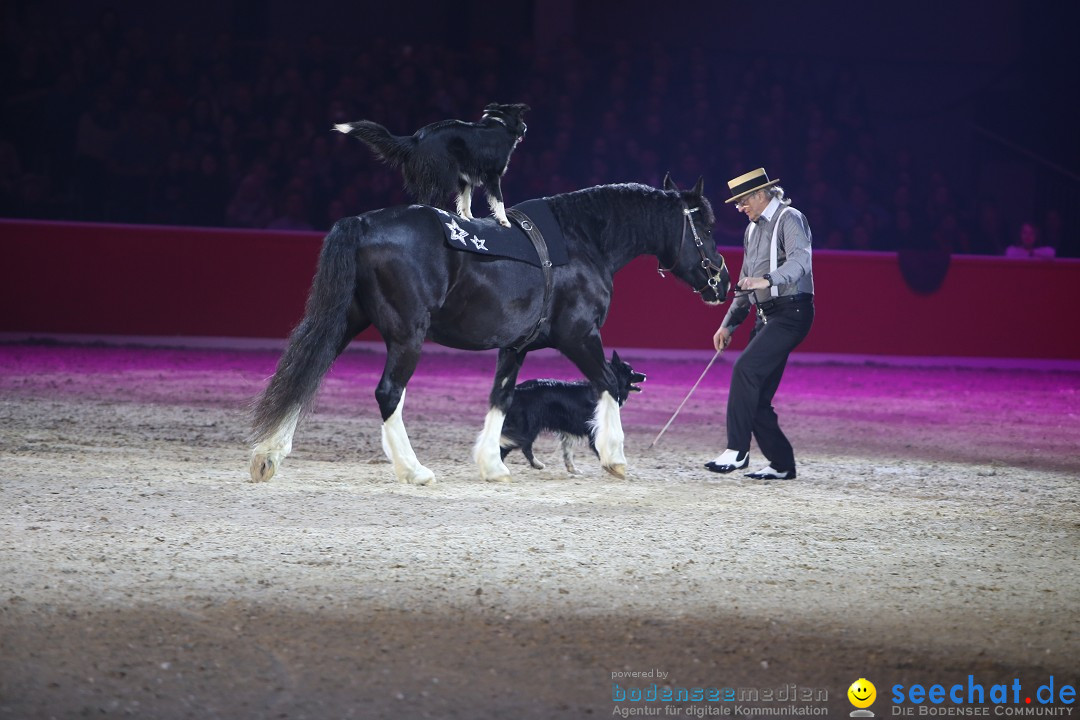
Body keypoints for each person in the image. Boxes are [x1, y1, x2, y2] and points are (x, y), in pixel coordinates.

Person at [705, 168, 814, 480]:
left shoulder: (790, 218)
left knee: (745, 370)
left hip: (791, 314)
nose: (740, 209)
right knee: (756, 395)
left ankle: (737, 451)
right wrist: (728, 325)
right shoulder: (751, 231)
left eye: (742, 202)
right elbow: (746, 284)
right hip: (765, 316)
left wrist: (766, 279)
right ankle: (781, 464)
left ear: (759, 194)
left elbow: (800, 262)